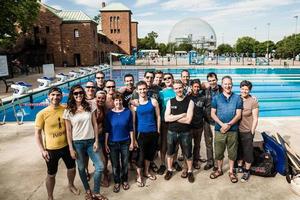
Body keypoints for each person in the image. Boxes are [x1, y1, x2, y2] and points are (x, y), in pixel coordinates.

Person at [35, 87, 80, 200]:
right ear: (48, 96)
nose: (55, 97)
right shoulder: (42, 113)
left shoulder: (65, 108)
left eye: (58, 95)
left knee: (72, 168)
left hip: (66, 146)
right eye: (53, 95)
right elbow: (38, 134)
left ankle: (71, 185)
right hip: (51, 149)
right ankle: (50, 196)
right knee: (51, 174)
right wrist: (42, 150)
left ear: (61, 96)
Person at [64, 85, 107, 200]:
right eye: (76, 93)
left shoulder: (90, 106)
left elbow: (95, 124)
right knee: (82, 168)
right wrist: (71, 148)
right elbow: (68, 131)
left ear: (83, 94)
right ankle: (88, 190)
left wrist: (97, 141)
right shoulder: (68, 110)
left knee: (100, 166)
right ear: (72, 95)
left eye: (80, 93)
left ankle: (96, 192)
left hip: (91, 141)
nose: (79, 95)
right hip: (77, 143)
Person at [209, 76, 242, 184]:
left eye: (229, 84)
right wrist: (222, 124)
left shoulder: (237, 98)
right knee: (218, 152)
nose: (228, 86)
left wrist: (229, 124)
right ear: (222, 85)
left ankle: (231, 171)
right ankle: (219, 169)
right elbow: (212, 113)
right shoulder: (216, 98)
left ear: (232, 84)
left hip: (233, 130)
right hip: (219, 130)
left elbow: (238, 115)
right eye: (225, 84)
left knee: (232, 153)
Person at [131, 81, 161, 187]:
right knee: (141, 156)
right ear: (137, 91)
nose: (143, 91)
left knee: (149, 155)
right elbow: (133, 122)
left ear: (147, 89)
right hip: (141, 134)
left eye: (144, 89)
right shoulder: (134, 104)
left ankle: (146, 172)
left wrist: (158, 130)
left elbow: (158, 116)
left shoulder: (153, 101)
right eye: (140, 89)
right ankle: (139, 176)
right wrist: (134, 138)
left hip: (152, 133)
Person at [164, 80, 195, 183]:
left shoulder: (190, 102)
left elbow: (188, 120)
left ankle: (190, 171)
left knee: (188, 153)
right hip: (171, 132)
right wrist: (182, 115)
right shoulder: (170, 101)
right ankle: (169, 169)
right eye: (176, 88)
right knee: (170, 152)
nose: (178, 90)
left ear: (183, 88)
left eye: (180, 88)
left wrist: (173, 117)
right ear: (174, 89)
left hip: (185, 132)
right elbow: (166, 118)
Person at [105, 92, 135, 193]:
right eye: (116, 100)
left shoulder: (127, 112)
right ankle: (117, 182)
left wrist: (132, 142)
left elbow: (131, 128)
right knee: (115, 164)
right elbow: (107, 130)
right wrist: (105, 144)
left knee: (125, 163)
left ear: (122, 101)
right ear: (113, 101)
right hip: (113, 143)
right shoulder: (109, 114)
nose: (118, 102)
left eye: (120, 100)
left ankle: (125, 180)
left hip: (125, 142)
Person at [237, 80, 259, 182]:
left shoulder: (253, 101)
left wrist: (252, 131)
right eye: (243, 89)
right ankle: (240, 166)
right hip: (236, 130)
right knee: (239, 149)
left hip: (247, 131)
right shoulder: (236, 98)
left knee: (248, 152)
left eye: (246, 89)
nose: (244, 91)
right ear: (240, 89)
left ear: (249, 90)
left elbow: (255, 118)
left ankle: (247, 170)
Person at [157, 73, 176, 175]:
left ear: (173, 79)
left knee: (175, 143)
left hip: (175, 121)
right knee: (163, 144)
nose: (168, 79)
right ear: (163, 80)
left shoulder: (177, 90)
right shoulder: (161, 93)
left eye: (169, 78)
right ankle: (163, 163)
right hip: (165, 121)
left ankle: (174, 161)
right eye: (165, 78)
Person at [188, 79, 209, 170]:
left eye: (197, 87)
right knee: (188, 145)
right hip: (189, 126)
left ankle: (196, 161)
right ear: (191, 87)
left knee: (197, 145)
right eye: (194, 87)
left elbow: (207, 110)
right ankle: (188, 162)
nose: (196, 88)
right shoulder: (187, 97)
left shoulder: (203, 97)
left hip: (199, 125)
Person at [203, 72, 222, 170]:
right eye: (210, 81)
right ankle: (210, 161)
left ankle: (216, 164)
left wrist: (250, 97)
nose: (212, 82)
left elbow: (234, 96)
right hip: (206, 120)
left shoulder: (222, 90)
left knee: (217, 143)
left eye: (213, 80)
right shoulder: (205, 91)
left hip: (217, 121)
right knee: (208, 142)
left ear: (217, 80)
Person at [95, 90, 110, 187]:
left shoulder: (105, 108)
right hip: (95, 138)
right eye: (99, 98)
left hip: (104, 136)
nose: (100, 100)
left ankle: (105, 174)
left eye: (103, 98)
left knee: (105, 156)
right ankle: (103, 176)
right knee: (102, 160)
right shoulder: (92, 109)